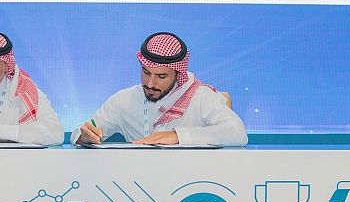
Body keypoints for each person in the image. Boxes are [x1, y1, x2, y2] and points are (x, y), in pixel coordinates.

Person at [73, 32, 248, 146]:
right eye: (146, 72)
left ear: (178, 74)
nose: (150, 83)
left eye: (161, 76)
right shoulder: (124, 100)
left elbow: (237, 133)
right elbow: (79, 134)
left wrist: (176, 136)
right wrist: (85, 137)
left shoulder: (201, 96)